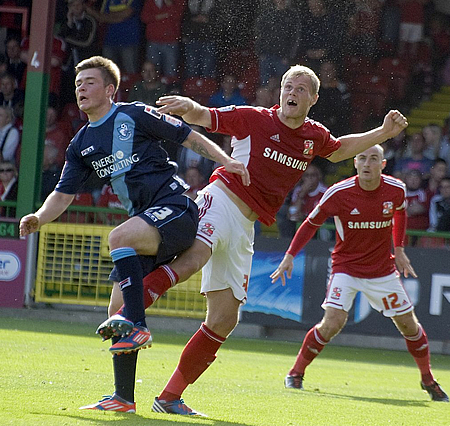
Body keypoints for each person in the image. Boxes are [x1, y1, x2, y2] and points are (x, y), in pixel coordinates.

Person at [100, 64, 409, 416]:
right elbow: (207, 116)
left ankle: (169, 397)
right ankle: (129, 315)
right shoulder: (254, 118)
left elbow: (338, 150)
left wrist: (383, 132)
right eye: (287, 85)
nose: (291, 92)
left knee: (224, 319)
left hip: (246, 227)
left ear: (314, 98)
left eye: (301, 88)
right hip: (221, 199)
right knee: (193, 258)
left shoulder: (313, 135)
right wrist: (189, 107)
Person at [18, 55, 249, 413]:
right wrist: (40, 216)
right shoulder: (81, 144)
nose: (81, 88)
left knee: (118, 239)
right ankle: (124, 397)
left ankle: (138, 324)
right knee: (115, 310)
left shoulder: (134, 114)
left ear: (109, 90)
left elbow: (188, 137)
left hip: (176, 208)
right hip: (145, 224)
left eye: (90, 82)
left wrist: (227, 162)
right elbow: (63, 194)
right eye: (78, 84)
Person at [270, 144, 448, 403]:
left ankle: (428, 380)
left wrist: (398, 249)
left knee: (410, 326)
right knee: (331, 323)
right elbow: (311, 223)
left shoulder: (396, 189)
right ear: (355, 163)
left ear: (383, 164)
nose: (367, 164)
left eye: (373, 159)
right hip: (346, 268)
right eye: (362, 158)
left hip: (383, 271)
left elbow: (400, 213)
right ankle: (296, 373)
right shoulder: (338, 193)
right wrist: (289, 256)